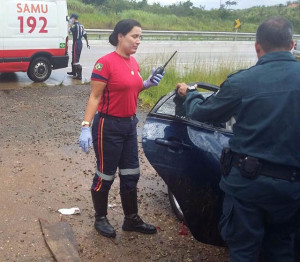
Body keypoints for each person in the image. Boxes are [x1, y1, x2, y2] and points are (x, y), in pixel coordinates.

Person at [176, 17, 300, 261]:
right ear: (293, 44)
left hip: (247, 187)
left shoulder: (241, 82)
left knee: (243, 252)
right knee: (284, 249)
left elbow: (202, 114)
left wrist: (190, 94)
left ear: (257, 47)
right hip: (292, 189)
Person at [78, 19, 164, 238]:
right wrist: (85, 126)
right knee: (105, 175)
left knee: (131, 173)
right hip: (108, 126)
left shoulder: (133, 63)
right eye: (134, 36)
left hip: (128, 125)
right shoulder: (104, 63)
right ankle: (100, 218)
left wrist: (146, 84)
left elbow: (131, 92)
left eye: (140, 37)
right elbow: (95, 97)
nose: (138, 41)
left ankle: (131, 219)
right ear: (120, 36)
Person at [67, 13, 89, 80]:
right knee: (74, 58)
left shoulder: (74, 26)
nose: (71, 20)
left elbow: (69, 31)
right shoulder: (81, 26)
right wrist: (87, 43)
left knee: (75, 60)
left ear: (73, 18)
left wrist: (69, 24)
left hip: (76, 42)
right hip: (80, 42)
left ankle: (79, 75)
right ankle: (74, 72)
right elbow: (85, 35)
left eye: (71, 19)